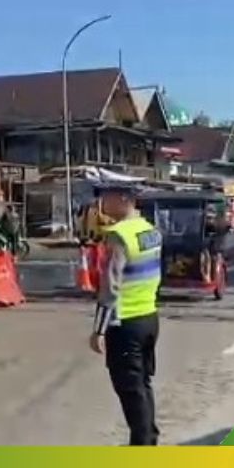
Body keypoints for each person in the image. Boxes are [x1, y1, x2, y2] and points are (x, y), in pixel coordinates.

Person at [87, 181, 163, 446]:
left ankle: (142, 449)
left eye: (105, 197)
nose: (102, 203)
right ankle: (147, 438)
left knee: (130, 389)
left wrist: (99, 329)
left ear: (122, 199)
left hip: (126, 322)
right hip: (149, 317)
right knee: (143, 383)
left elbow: (111, 285)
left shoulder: (118, 235)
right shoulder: (149, 230)